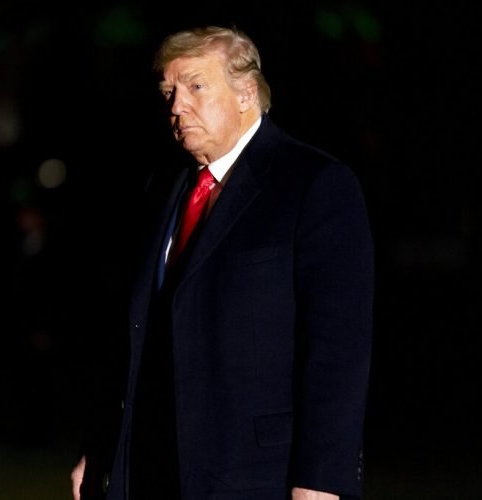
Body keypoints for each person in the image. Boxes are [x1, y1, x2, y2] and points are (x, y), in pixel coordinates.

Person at [72, 25, 374, 500]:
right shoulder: (163, 188)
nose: (176, 105)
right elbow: (137, 333)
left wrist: (321, 480)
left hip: (256, 475)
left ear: (245, 93)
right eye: (169, 90)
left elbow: (337, 351)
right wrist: (106, 443)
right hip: (152, 467)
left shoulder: (314, 185)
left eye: (195, 85)